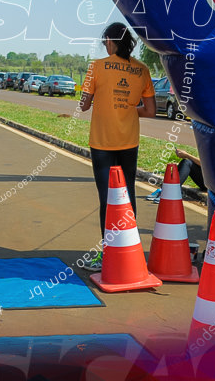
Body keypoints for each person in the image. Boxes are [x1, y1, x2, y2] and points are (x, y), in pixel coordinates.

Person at [79, 22, 155, 270]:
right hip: (129, 142)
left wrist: (94, 98)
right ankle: (130, 252)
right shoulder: (142, 70)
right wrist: (129, 110)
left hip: (102, 142)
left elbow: (84, 105)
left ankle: (108, 254)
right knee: (127, 195)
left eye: (105, 42)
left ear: (110, 41)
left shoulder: (96, 67)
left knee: (107, 199)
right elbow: (151, 111)